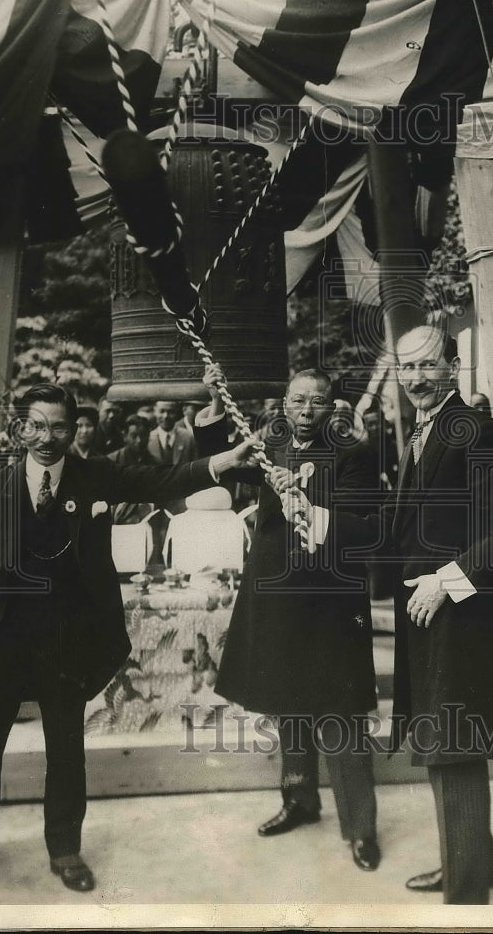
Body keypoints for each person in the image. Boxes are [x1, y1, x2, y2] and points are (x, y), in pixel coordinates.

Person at [0, 383, 257, 893]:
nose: (48, 437)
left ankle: (65, 850)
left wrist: (221, 461)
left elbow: (163, 478)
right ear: (22, 428)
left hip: (67, 641)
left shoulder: (96, 477)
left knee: (67, 751)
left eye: (59, 426)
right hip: (1, 641)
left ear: (72, 430)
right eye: (37, 425)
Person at [281, 325, 493, 904]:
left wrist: (449, 582)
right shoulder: (428, 430)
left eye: (428, 366)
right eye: (407, 368)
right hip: (433, 618)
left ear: (451, 366)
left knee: (456, 750)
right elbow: (408, 532)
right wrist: (323, 522)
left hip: (461, 619)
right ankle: (472, 863)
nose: (416, 378)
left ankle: (466, 897)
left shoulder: (474, 430)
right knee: (448, 745)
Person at [195, 365, 382, 872]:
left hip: (330, 604)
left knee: (340, 716)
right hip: (276, 599)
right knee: (289, 705)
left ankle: (360, 828)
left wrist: (312, 513)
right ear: (284, 402)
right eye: (296, 401)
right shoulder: (268, 448)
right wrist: (214, 408)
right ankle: (299, 800)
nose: (304, 412)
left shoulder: (353, 456)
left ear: (331, 407)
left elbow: (368, 530)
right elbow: (221, 466)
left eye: (316, 402)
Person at [148, 400, 197, 465]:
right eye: (162, 411)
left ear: (176, 413)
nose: (166, 416)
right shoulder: (148, 438)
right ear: (155, 412)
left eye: (170, 412)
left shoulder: (189, 437)